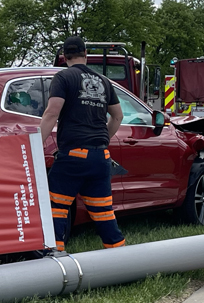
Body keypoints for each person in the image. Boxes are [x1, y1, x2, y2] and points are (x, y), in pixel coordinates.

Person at [39, 36, 125, 252]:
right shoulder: (104, 81)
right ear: (86, 55)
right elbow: (117, 116)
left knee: (56, 208)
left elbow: (52, 112)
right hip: (100, 158)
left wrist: (35, 145)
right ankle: (120, 256)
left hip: (73, 157)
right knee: (103, 211)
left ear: (63, 56)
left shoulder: (63, 77)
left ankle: (54, 256)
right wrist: (102, 139)